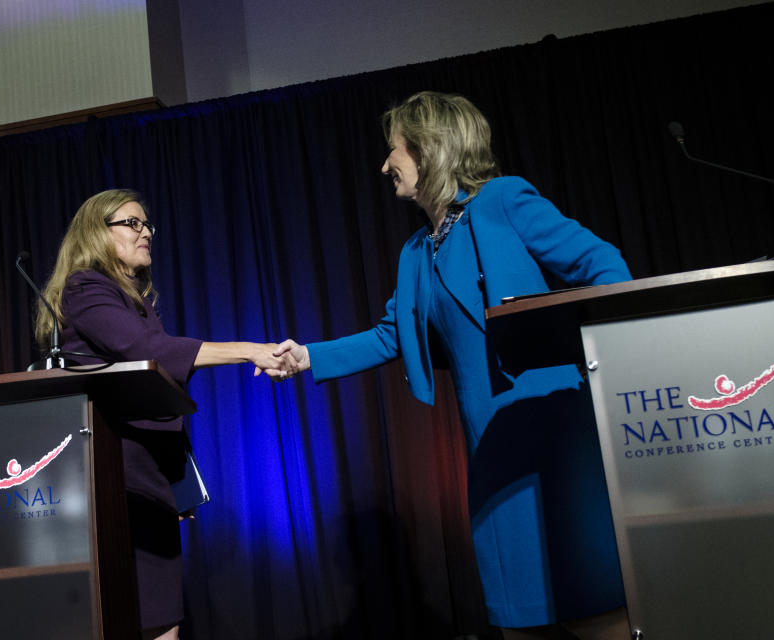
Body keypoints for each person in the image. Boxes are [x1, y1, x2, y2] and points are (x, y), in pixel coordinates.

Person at [274, 92, 632, 639]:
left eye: (392, 149)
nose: (384, 164)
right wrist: (306, 358)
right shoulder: (416, 251)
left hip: (556, 434)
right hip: (490, 446)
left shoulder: (504, 202)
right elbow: (390, 334)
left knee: (593, 606)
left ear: (429, 148)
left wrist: (601, 352)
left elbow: (602, 264)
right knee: (518, 616)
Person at [34, 188, 296, 640]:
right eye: (131, 223)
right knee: (123, 616)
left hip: (145, 479)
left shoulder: (134, 299)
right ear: (97, 232)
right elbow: (146, 354)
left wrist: (177, 482)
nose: (145, 233)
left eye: (147, 224)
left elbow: (158, 391)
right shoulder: (85, 288)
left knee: (161, 618)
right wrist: (248, 350)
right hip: (109, 478)